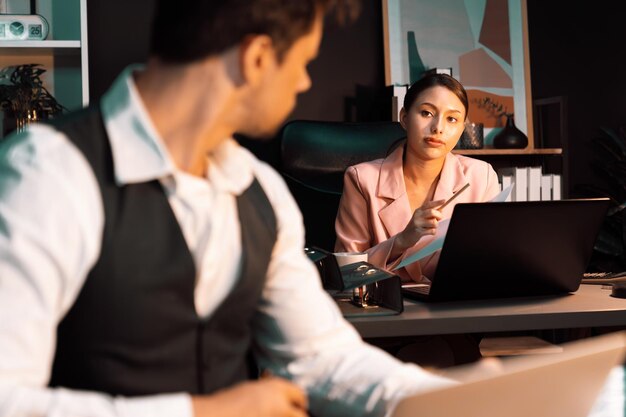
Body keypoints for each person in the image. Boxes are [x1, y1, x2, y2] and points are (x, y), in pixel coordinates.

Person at [0, 2, 464, 417]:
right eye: (302, 63)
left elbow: (324, 359)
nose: (304, 82)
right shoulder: (47, 173)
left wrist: (471, 399)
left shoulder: (258, 189)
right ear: (257, 58)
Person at [335, 73, 501, 283]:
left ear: (461, 129)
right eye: (426, 113)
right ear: (404, 118)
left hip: (454, 305)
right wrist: (402, 241)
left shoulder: (481, 176)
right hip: (387, 307)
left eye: (452, 119)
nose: (438, 128)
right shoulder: (361, 180)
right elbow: (346, 273)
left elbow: (494, 260)